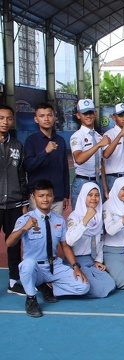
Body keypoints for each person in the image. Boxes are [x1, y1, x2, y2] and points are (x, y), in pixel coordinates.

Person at [6, 180, 90, 317]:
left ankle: (48, 287)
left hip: (53, 266)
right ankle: (31, 299)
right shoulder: (25, 219)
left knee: (84, 286)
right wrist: (24, 228)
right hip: (35, 269)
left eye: (48, 195)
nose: (45, 199)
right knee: (27, 264)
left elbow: (65, 245)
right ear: (33, 197)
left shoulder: (59, 220)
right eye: (41, 196)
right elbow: (9, 243)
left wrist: (75, 266)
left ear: (53, 196)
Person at [65, 182, 116, 298]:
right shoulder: (75, 216)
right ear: (83, 196)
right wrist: (85, 221)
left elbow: (100, 241)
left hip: (91, 260)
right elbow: (70, 241)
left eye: (97, 195)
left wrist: (98, 260)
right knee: (98, 289)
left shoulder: (98, 216)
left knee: (110, 285)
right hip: (76, 261)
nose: (94, 198)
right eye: (90, 195)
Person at [1, 104, 29, 296]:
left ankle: (13, 280)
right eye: (1, 118)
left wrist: (25, 202)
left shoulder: (17, 145)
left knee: (13, 243)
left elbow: (21, 176)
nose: (5, 122)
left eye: (9, 118)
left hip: (14, 204)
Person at [24, 102, 70, 214]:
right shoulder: (31, 141)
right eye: (42, 116)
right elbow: (29, 167)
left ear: (54, 117)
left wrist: (65, 195)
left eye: (49, 115)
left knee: (56, 230)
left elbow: (64, 168)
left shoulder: (60, 140)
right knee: (37, 230)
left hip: (57, 196)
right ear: (36, 119)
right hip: (38, 197)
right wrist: (45, 152)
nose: (46, 118)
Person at [70, 99, 110, 207]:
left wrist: (105, 189)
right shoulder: (77, 136)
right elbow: (78, 159)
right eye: (84, 113)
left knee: (97, 218)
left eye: (90, 112)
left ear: (95, 114)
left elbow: (102, 164)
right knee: (81, 218)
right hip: (83, 181)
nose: (88, 116)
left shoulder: (98, 136)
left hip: (98, 182)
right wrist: (98, 145)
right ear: (78, 115)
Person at [102, 103, 124, 193]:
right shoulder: (109, 134)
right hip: (113, 177)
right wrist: (120, 135)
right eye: (120, 116)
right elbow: (106, 154)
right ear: (114, 117)